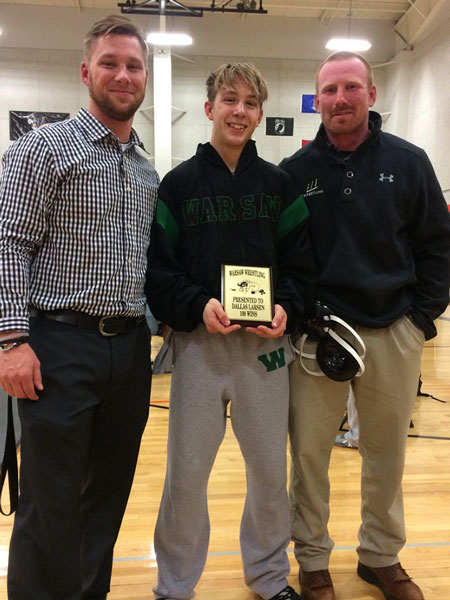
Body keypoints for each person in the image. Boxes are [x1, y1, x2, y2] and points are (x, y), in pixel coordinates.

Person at [280, 51, 450, 600]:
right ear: (317, 99)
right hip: (318, 337)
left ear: (371, 95)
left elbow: (435, 246)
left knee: (386, 452)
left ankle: (380, 556)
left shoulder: (410, 160)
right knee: (309, 454)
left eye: (351, 87)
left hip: (391, 332)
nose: (339, 99)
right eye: (328, 90)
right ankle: (312, 560)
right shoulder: (295, 172)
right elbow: (283, 257)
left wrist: (420, 320)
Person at [0, 15, 159, 600]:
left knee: (108, 491)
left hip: (129, 349)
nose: (123, 75)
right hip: (57, 343)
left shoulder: (146, 168)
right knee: (51, 496)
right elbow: (7, 242)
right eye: (111, 63)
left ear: (145, 78)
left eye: (134, 65)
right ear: (86, 71)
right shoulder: (42, 148)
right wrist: (12, 341)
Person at [145, 63, 316, 600]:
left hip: (266, 353)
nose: (239, 111)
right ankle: (174, 586)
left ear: (261, 114)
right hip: (199, 348)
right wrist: (198, 306)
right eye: (229, 99)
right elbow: (159, 273)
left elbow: (302, 268)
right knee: (187, 477)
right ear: (210, 108)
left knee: (269, 473)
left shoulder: (280, 185)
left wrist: (287, 307)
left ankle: (268, 576)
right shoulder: (178, 185)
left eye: (249, 102)